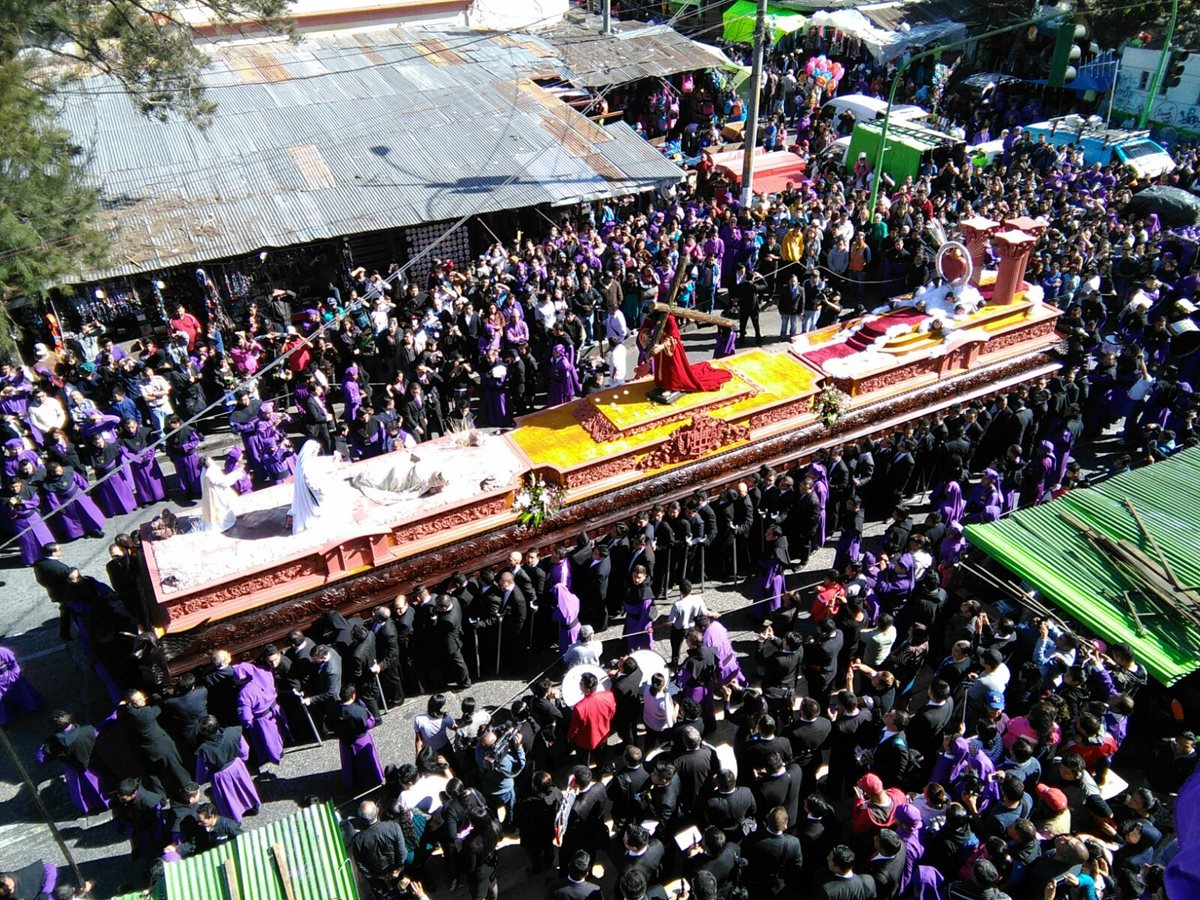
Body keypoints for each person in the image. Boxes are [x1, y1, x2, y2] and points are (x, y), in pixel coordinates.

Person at [194, 715, 260, 822]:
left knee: (229, 797)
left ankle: (236, 817)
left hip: (220, 775)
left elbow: (202, 770)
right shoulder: (233, 733)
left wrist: (200, 780)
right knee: (245, 788)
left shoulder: (203, 750)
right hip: (237, 766)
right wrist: (242, 759)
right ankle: (253, 807)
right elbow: (245, 749)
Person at [329, 685, 385, 794]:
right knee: (368, 761)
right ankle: (373, 780)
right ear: (353, 696)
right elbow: (370, 723)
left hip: (344, 741)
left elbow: (328, 724)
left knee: (349, 763)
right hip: (361, 740)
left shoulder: (334, 709)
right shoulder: (358, 710)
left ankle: (352, 784)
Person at [350, 800, 408, 898]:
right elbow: (402, 852)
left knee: (383, 894)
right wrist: (397, 870)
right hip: (396, 870)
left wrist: (377, 876)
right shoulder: (393, 826)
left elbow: (360, 865)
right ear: (377, 810)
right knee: (402, 890)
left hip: (377, 876)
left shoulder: (357, 840)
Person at [289, 439, 333, 534]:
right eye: (316, 450)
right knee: (313, 510)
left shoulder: (302, 460)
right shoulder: (306, 464)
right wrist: (319, 489)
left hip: (304, 491)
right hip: (309, 493)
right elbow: (309, 479)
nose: (317, 452)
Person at [568, 672, 616, 757]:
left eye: (581, 683)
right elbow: (612, 713)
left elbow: (574, 729)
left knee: (584, 761)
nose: (579, 684)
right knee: (601, 757)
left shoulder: (579, 708)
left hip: (585, 741)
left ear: (587, 689)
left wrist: (570, 738)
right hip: (603, 735)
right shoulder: (608, 695)